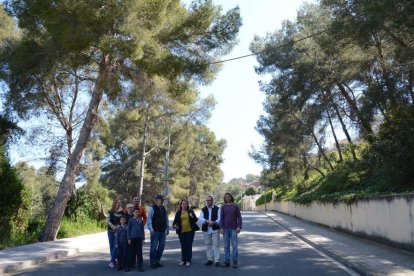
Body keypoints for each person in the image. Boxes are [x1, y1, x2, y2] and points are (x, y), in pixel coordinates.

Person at [173, 199, 200, 267]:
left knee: (188, 245)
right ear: (181, 205)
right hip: (181, 231)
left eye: (185, 204)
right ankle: (183, 260)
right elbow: (175, 222)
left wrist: (192, 216)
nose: (184, 205)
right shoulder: (178, 213)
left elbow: (196, 220)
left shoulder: (190, 211)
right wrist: (175, 225)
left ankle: (188, 261)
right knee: (183, 246)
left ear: (187, 205)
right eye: (183, 204)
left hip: (190, 231)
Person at [220, 192, 242, 268]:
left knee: (235, 246)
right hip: (225, 229)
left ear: (231, 197)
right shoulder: (223, 207)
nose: (228, 198)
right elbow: (221, 218)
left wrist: (239, 226)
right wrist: (221, 228)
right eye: (226, 197)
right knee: (226, 246)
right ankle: (227, 261)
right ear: (225, 198)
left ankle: (235, 261)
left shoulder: (235, 206)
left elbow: (239, 217)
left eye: (229, 197)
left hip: (233, 229)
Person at [147, 194, 169, 269]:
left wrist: (167, 228)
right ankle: (153, 262)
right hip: (155, 231)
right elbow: (149, 220)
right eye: (161, 200)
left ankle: (157, 261)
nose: (162, 201)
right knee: (153, 247)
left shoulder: (163, 208)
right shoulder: (152, 209)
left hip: (163, 231)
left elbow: (166, 219)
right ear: (156, 200)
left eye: (163, 200)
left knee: (162, 247)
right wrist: (151, 228)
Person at [198, 195, 221, 267]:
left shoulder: (218, 209)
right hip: (206, 229)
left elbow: (220, 218)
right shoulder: (203, 209)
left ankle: (217, 260)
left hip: (215, 229)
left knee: (216, 244)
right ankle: (210, 259)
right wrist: (207, 221)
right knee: (208, 244)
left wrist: (214, 222)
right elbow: (200, 218)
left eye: (210, 200)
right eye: (207, 200)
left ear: (212, 201)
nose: (208, 202)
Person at [107, 197, 124, 268]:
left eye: (120, 203)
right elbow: (108, 221)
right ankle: (113, 261)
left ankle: (112, 261)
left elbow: (123, 221)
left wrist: (118, 228)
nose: (119, 204)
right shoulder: (110, 212)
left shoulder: (122, 212)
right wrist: (114, 227)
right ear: (115, 203)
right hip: (111, 231)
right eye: (118, 203)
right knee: (112, 246)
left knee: (116, 246)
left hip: (119, 232)